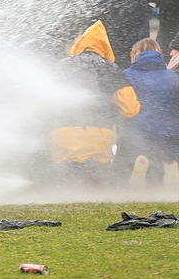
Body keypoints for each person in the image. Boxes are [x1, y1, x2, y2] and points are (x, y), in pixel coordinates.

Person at [48, 20, 140, 183]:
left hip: (64, 137)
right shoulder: (110, 69)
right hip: (99, 137)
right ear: (105, 46)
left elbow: (43, 101)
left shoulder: (60, 67)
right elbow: (130, 109)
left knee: (65, 183)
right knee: (96, 183)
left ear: (78, 44)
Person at [120, 39, 179, 188]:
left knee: (128, 153)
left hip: (140, 135)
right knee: (167, 158)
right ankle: (170, 166)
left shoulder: (127, 75)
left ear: (134, 56)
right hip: (170, 135)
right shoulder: (172, 77)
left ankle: (138, 169)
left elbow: (124, 105)